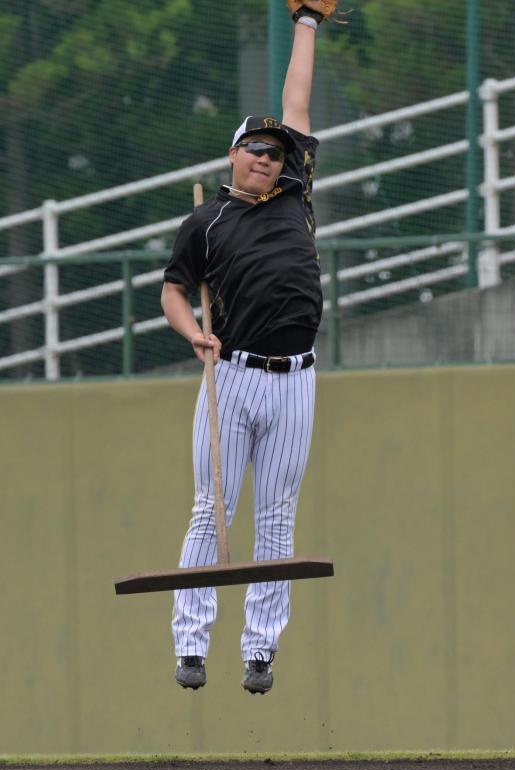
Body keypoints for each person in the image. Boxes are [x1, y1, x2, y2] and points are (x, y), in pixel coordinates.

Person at [161, 1, 336, 695]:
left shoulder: (296, 193)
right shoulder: (203, 222)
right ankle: (191, 644)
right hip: (229, 375)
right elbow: (174, 292)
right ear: (233, 154)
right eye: (256, 150)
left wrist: (306, 23)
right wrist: (192, 332)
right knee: (211, 508)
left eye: (275, 152)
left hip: (295, 378)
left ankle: (259, 651)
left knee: (276, 517)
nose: (269, 158)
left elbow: (296, 100)